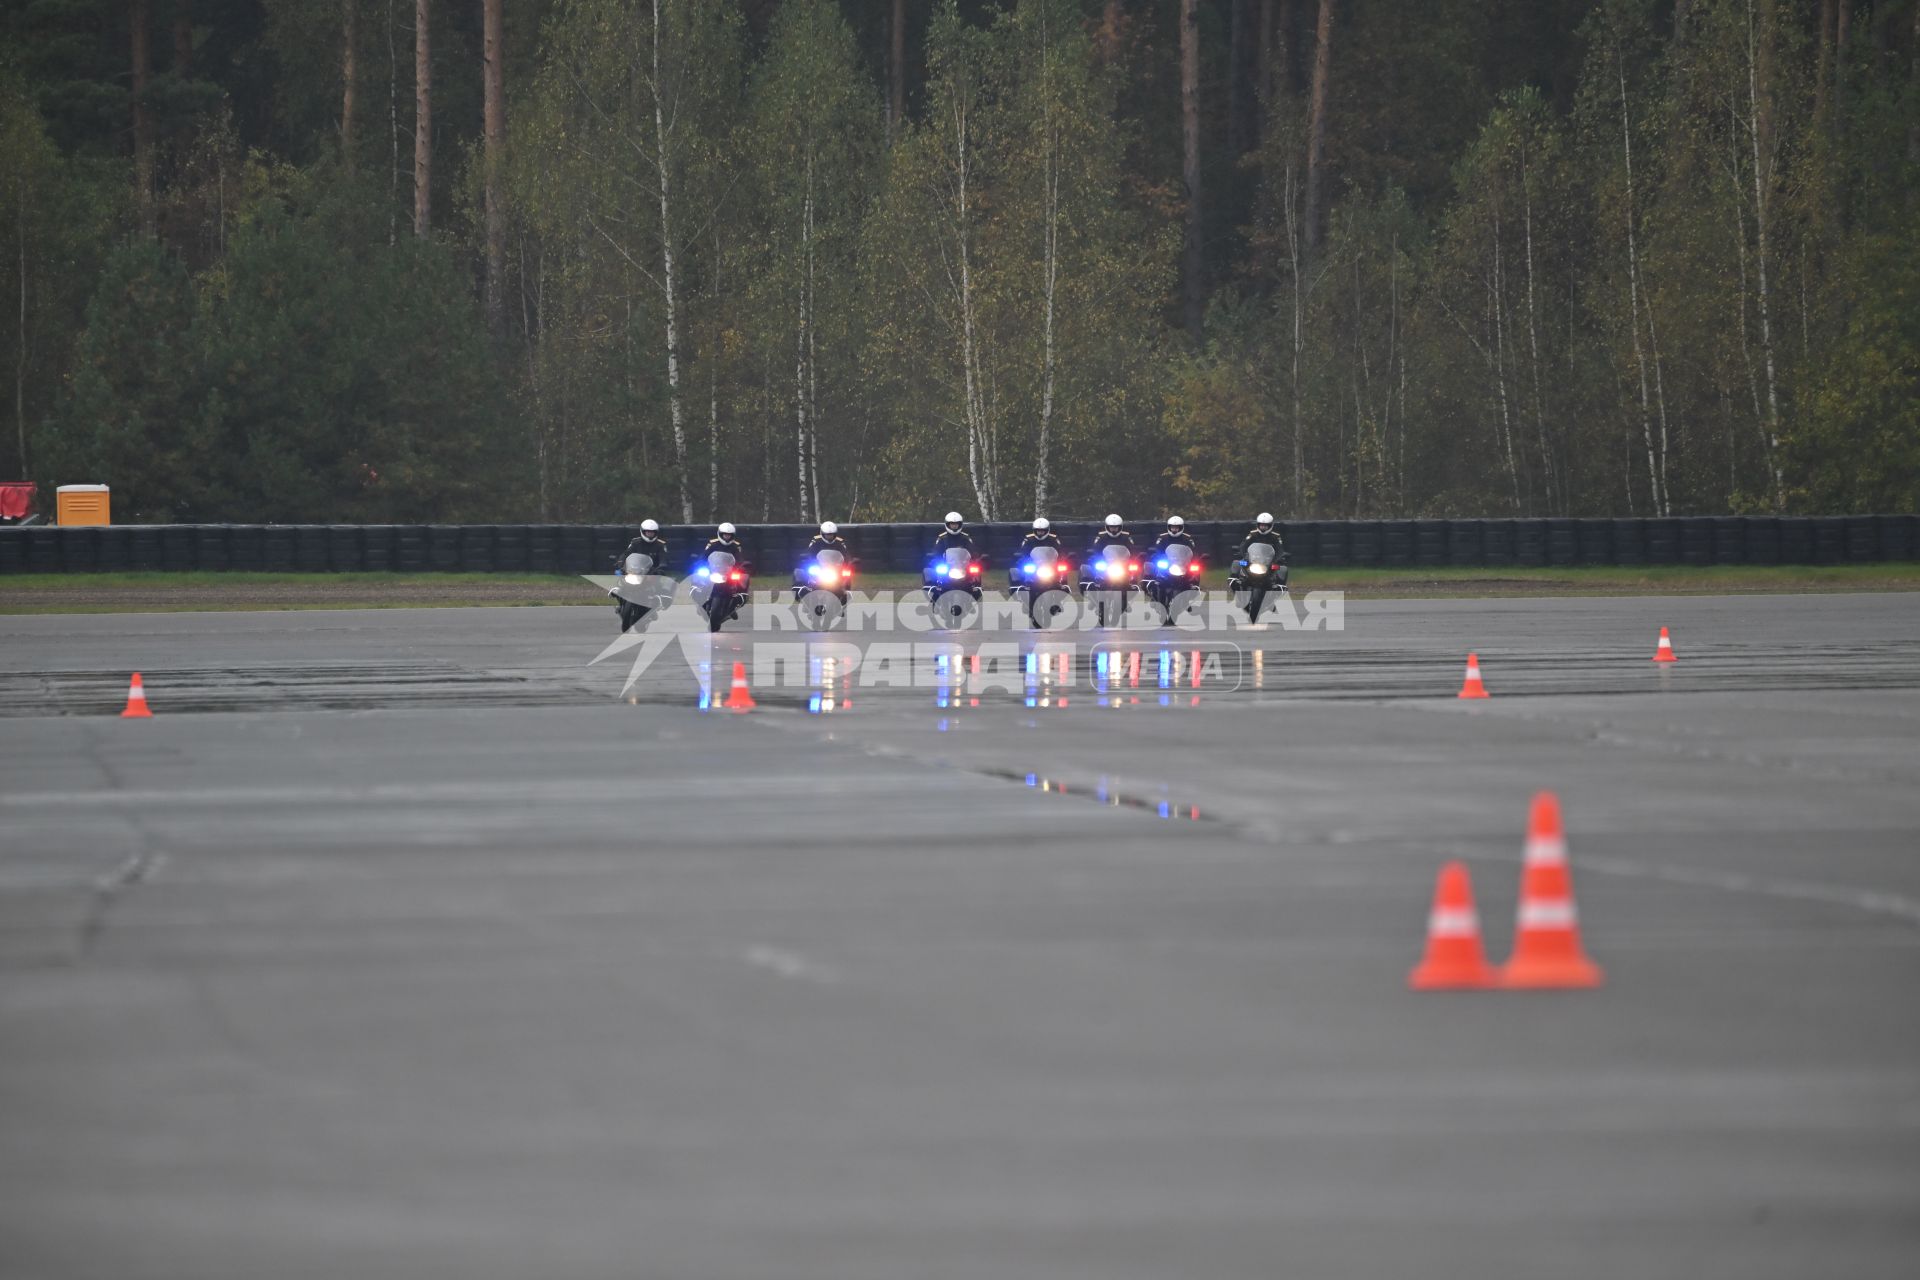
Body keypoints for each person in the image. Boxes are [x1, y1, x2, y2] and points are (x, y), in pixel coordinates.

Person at [1012, 517, 1066, 587]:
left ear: (1047, 530)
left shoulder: (1053, 538)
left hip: (1049, 565)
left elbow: (1060, 551)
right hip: (1033, 564)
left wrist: (1061, 559)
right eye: (1038, 531)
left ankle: (1061, 584)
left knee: (1062, 569)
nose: (1040, 532)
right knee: (1023, 568)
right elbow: (1024, 552)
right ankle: (1023, 585)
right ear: (1034, 530)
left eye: (1042, 531)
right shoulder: (1028, 539)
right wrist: (1024, 559)